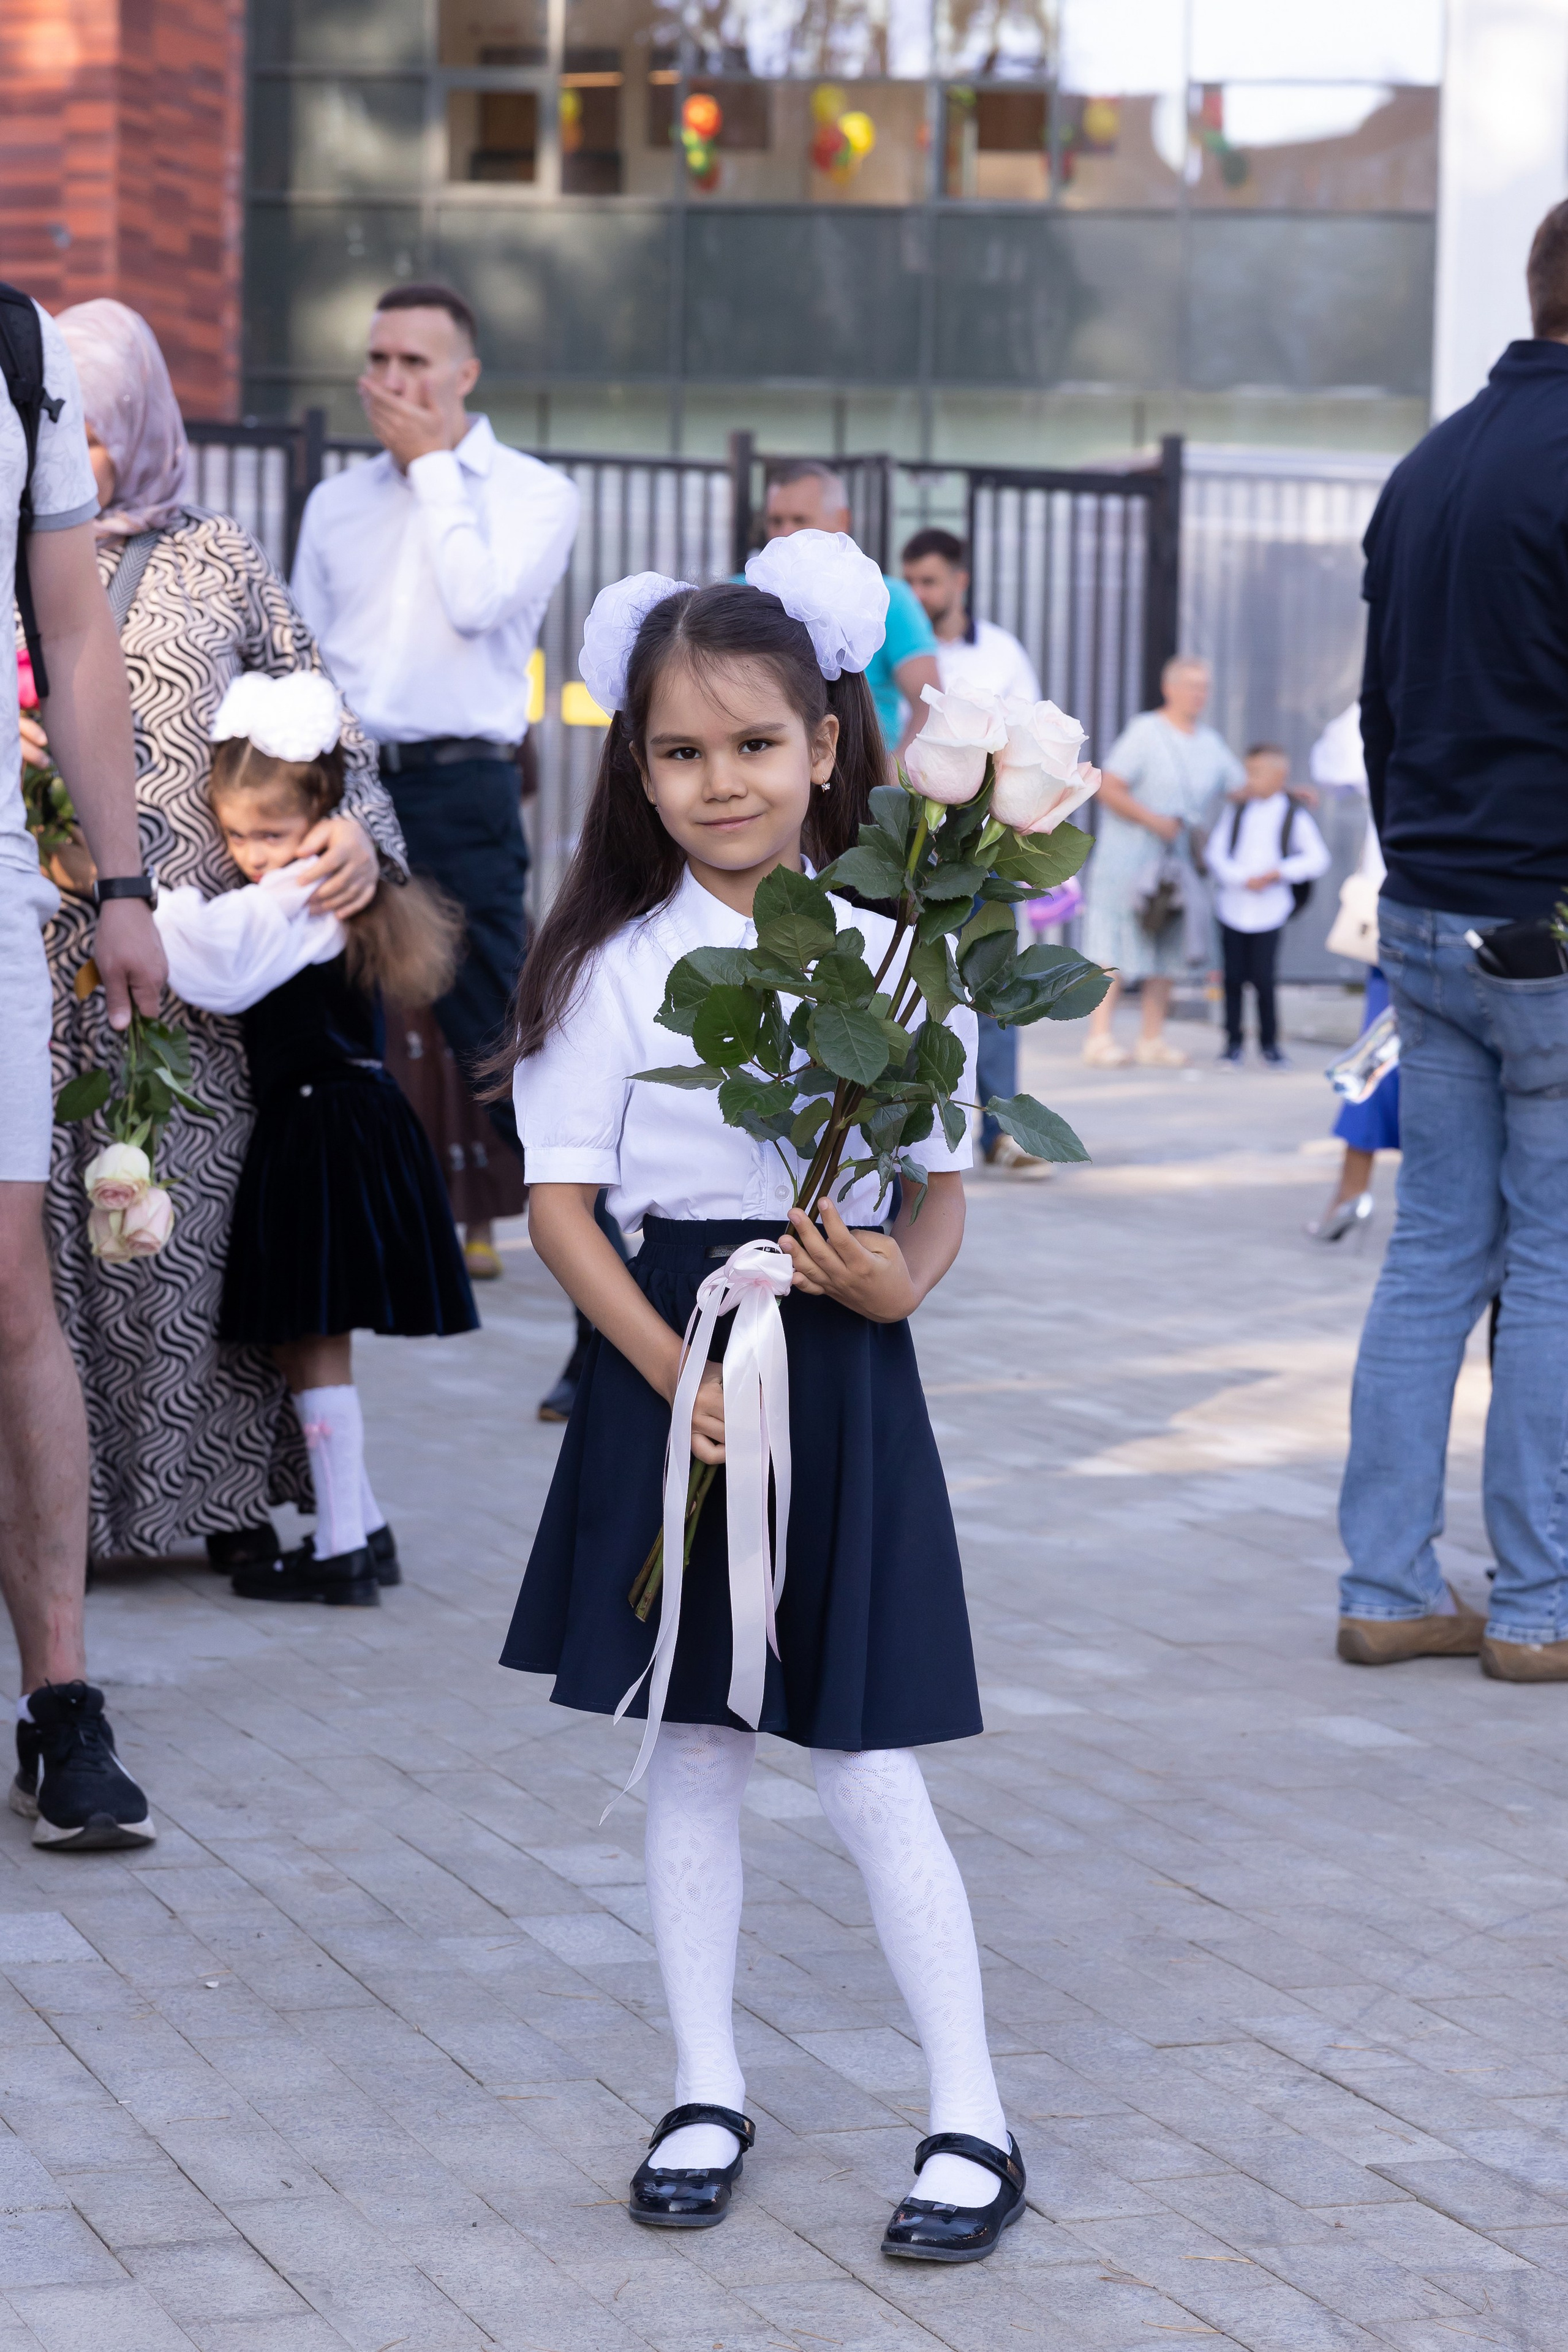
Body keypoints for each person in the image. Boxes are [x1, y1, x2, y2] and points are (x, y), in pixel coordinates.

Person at [501, 538, 1025, 2263]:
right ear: (634, 770)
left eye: (753, 744)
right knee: (700, 1748)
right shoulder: (617, 966)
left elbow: (938, 1180)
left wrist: (905, 1276)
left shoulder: (901, 953)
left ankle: (972, 2116)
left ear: (824, 744)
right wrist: (675, 1389)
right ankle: (706, 2079)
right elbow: (563, 1211)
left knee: (865, 1758)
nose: (718, 782)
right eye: (677, 752)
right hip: (685, 1374)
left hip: (846, 1363)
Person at [28, 301, 404, 1580]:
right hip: (45, 957)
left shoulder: (221, 559)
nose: (69, 453)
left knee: (189, 1240)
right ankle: (57, 1519)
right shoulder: (8, 550)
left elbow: (333, 728)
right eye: (51, 424)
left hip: (208, 970)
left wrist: (359, 834)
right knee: (57, 1248)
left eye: (89, 428)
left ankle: (213, 1500)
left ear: (137, 426)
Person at [1336, 198, 1568, 1683]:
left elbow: (1375, 708)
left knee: (1428, 1250)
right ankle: (1539, 1606)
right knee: (1551, 1257)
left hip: (1424, 906)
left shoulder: (1424, 468)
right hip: (1547, 922)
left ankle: (1383, 1584)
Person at [152, 673, 478, 1606]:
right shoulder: (316, 880)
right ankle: (361, 1527)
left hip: (319, 1121)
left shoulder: (304, 891)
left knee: (316, 1337)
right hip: (340, 1113)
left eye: (271, 833)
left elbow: (212, 961)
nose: (255, 855)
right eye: (238, 835)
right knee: (307, 1341)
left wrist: (133, 899)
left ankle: (341, 1550)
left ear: (320, 817)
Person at [292, 283, 577, 1275]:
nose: (391, 380)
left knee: (499, 1055)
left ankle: (611, 1314)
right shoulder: (336, 501)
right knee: (320, 1045)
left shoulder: (536, 492)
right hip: (340, 790)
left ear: (466, 375)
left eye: (415, 362)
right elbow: (304, 663)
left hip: (460, 793)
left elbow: (474, 605)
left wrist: (433, 472)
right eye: (378, 360)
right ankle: (330, 1291)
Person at [1, 285, 168, 1846]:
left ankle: (61, 1699)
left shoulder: (19, 349)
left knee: (11, 1293)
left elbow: (71, 626)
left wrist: (122, 884)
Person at [900, 525, 1048, 1175]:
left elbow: (1029, 739)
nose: (917, 593)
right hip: (905, 840)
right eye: (908, 582)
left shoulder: (1002, 654)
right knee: (905, 983)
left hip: (979, 843)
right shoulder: (893, 646)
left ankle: (1002, 1131)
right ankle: (908, 1129)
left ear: (959, 581)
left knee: (991, 983)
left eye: (928, 581)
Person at [1080, 655, 1242, 1069]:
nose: (1198, 694)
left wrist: (1287, 789)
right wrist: (1154, 821)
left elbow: (1240, 786)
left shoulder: (1211, 743)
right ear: (1169, 688)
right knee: (1114, 944)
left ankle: (1152, 1037)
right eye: (1191, 685)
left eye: (1203, 687)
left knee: (1169, 942)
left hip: (1177, 863)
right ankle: (1099, 1038)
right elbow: (1109, 786)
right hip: (1129, 859)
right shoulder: (1145, 732)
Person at [760, 462, 938, 760]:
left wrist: (888, 785)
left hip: (863, 788)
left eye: (799, 520)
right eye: (776, 520)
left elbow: (930, 706)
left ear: (842, 520)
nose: (785, 533)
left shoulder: (887, 598)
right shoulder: (743, 593)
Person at [1306, 702, 1401, 1241]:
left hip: (1401, 908)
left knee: (1378, 1055)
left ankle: (1351, 1193)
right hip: (1504, 913)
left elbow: (1334, 766)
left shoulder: (1390, 693)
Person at [1206, 743, 1329, 1069]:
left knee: (1263, 979)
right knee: (1232, 978)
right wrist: (1240, 878)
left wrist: (1280, 873)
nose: (1250, 780)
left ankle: (1270, 1045)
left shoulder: (1293, 814)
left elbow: (1318, 859)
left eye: (1257, 773)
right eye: (1249, 772)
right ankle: (1232, 1043)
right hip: (1232, 906)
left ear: (1279, 776)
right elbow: (1216, 854)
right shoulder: (1237, 811)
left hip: (1270, 911)